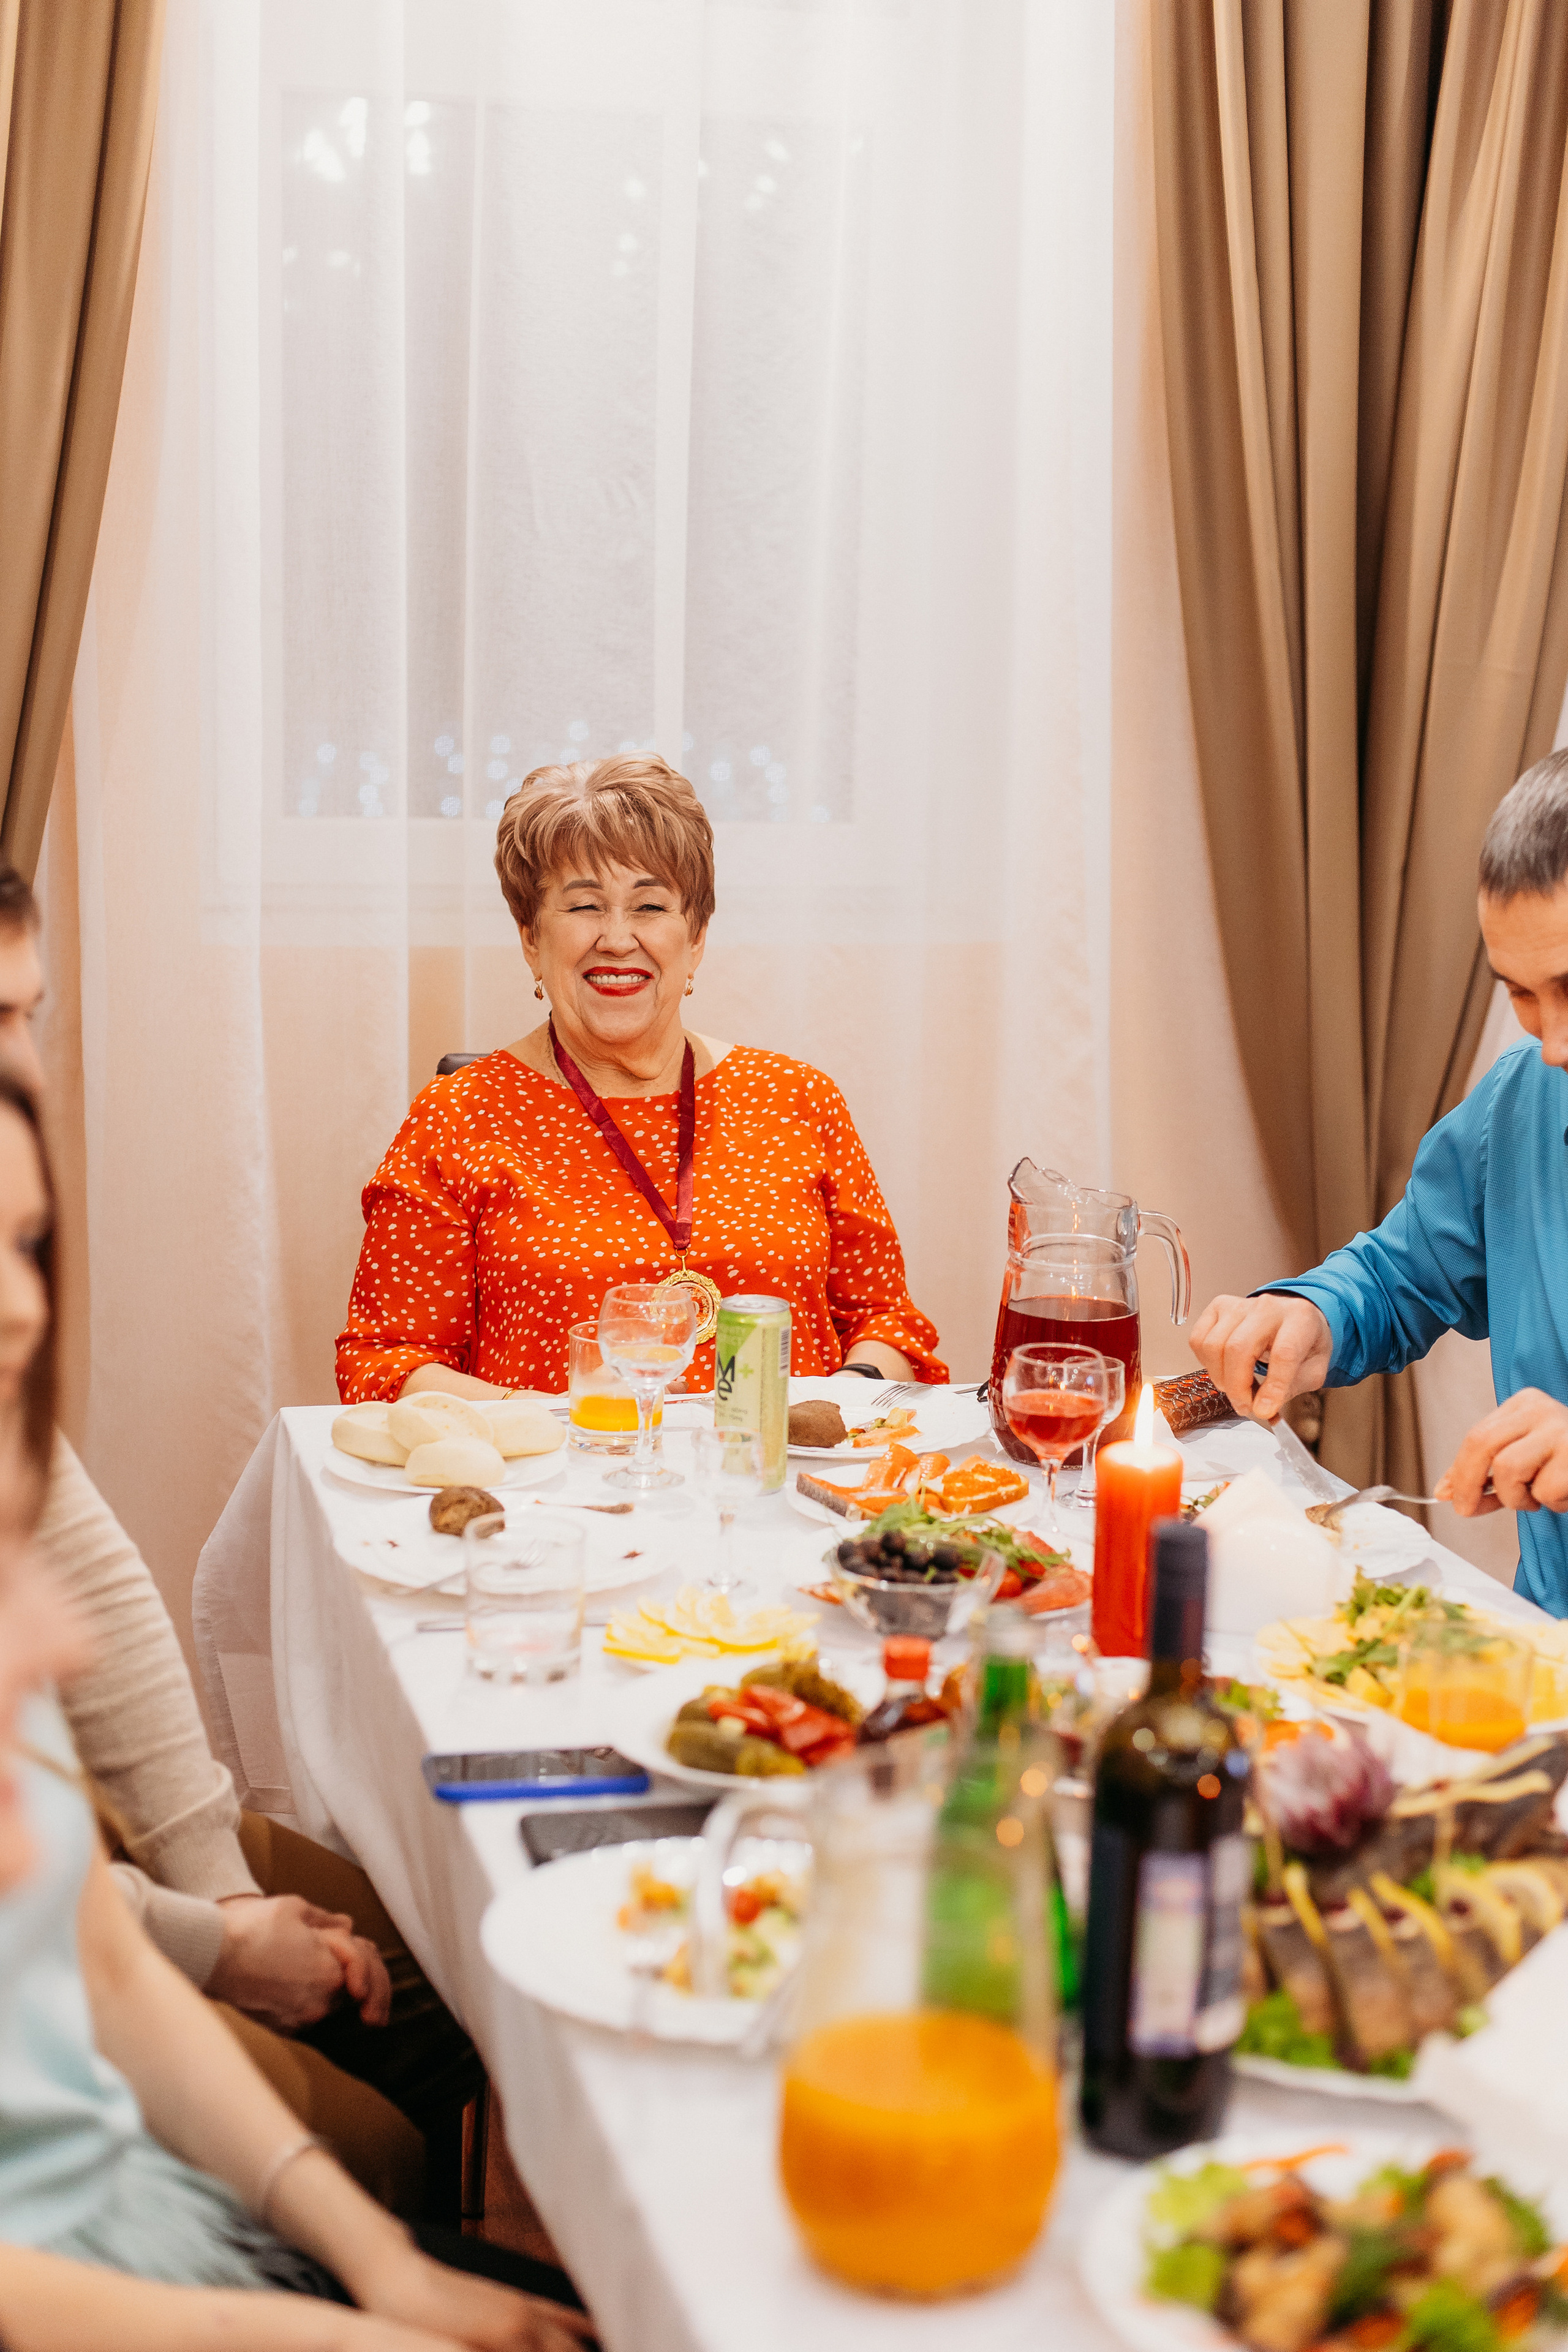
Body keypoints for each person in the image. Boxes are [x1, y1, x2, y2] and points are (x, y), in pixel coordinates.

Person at [0, 1067, 594, 2350]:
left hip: (141, 2213)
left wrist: (384, 2266)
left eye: (26, 1247)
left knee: (453, 1980)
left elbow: (93, 1949)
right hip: (91, 2288)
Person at [0, 869, 479, 2212]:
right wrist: (214, 1943)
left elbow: (83, 1564)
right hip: (46, 1954)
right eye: (0, 1018)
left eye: (33, 1014)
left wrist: (209, 1871)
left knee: (446, 1966)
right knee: (380, 2123)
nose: (28, 1069)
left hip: (91, 1867)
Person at [337, 755, 946, 1400]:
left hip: (772, 1483)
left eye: (650, 905)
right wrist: (558, 1422)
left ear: (696, 938)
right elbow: (388, 1361)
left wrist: (838, 1403)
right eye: (584, 906)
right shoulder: (459, 1114)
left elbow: (888, 1324)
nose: (618, 938)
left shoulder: (797, 1098)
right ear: (530, 940)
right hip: (556, 1487)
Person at [1190, 747, 1568, 1618]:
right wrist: (1311, 1314)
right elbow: (1399, 1276)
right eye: (1519, 993)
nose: (1552, 1044)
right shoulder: (1521, 1099)